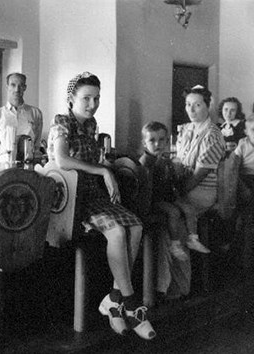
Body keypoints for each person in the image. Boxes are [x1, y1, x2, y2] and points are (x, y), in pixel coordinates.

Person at [47, 72, 155, 340]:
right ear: (71, 99)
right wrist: (102, 172)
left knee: (136, 226)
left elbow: (94, 160)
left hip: (94, 196)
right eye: (86, 98)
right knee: (117, 231)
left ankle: (114, 300)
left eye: (96, 98)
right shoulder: (62, 122)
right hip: (73, 201)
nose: (92, 104)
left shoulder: (91, 124)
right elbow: (61, 160)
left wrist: (106, 168)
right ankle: (130, 303)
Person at [139, 121, 192, 301]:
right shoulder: (146, 163)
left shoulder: (164, 161)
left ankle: (177, 285)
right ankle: (165, 286)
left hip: (162, 203)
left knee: (184, 214)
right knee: (173, 216)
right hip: (150, 207)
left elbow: (171, 188)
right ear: (144, 143)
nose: (157, 144)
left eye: (162, 140)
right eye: (152, 140)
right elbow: (147, 195)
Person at [173, 85, 226, 253]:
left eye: (197, 105)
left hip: (200, 191)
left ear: (208, 105)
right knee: (165, 215)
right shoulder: (186, 129)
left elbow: (199, 175)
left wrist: (177, 191)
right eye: (188, 104)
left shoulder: (212, 134)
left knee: (173, 218)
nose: (191, 109)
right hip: (185, 187)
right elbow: (178, 160)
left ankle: (180, 272)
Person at [230, 112, 254, 254]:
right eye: (253, 129)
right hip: (245, 179)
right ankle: (232, 239)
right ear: (246, 131)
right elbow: (234, 165)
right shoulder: (243, 144)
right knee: (243, 204)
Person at [0, 73, 43, 162]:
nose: (17, 90)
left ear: (25, 88)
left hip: (28, 164)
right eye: (13, 85)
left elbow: (36, 146)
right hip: (4, 166)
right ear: (7, 87)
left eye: (20, 86)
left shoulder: (35, 113)